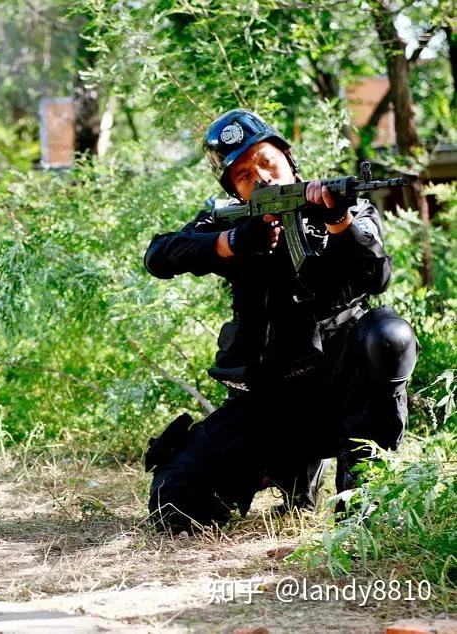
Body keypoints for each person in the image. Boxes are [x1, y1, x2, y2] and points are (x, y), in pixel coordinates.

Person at [142, 109, 418, 533]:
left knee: (389, 335)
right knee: (173, 503)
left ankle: (363, 503)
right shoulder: (228, 221)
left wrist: (338, 221)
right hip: (268, 401)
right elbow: (159, 255)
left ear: (288, 159)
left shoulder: (344, 206)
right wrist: (231, 243)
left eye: (266, 161)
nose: (262, 178)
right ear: (233, 191)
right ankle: (289, 477)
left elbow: (376, 276)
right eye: (244, 175)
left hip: (338, 390)